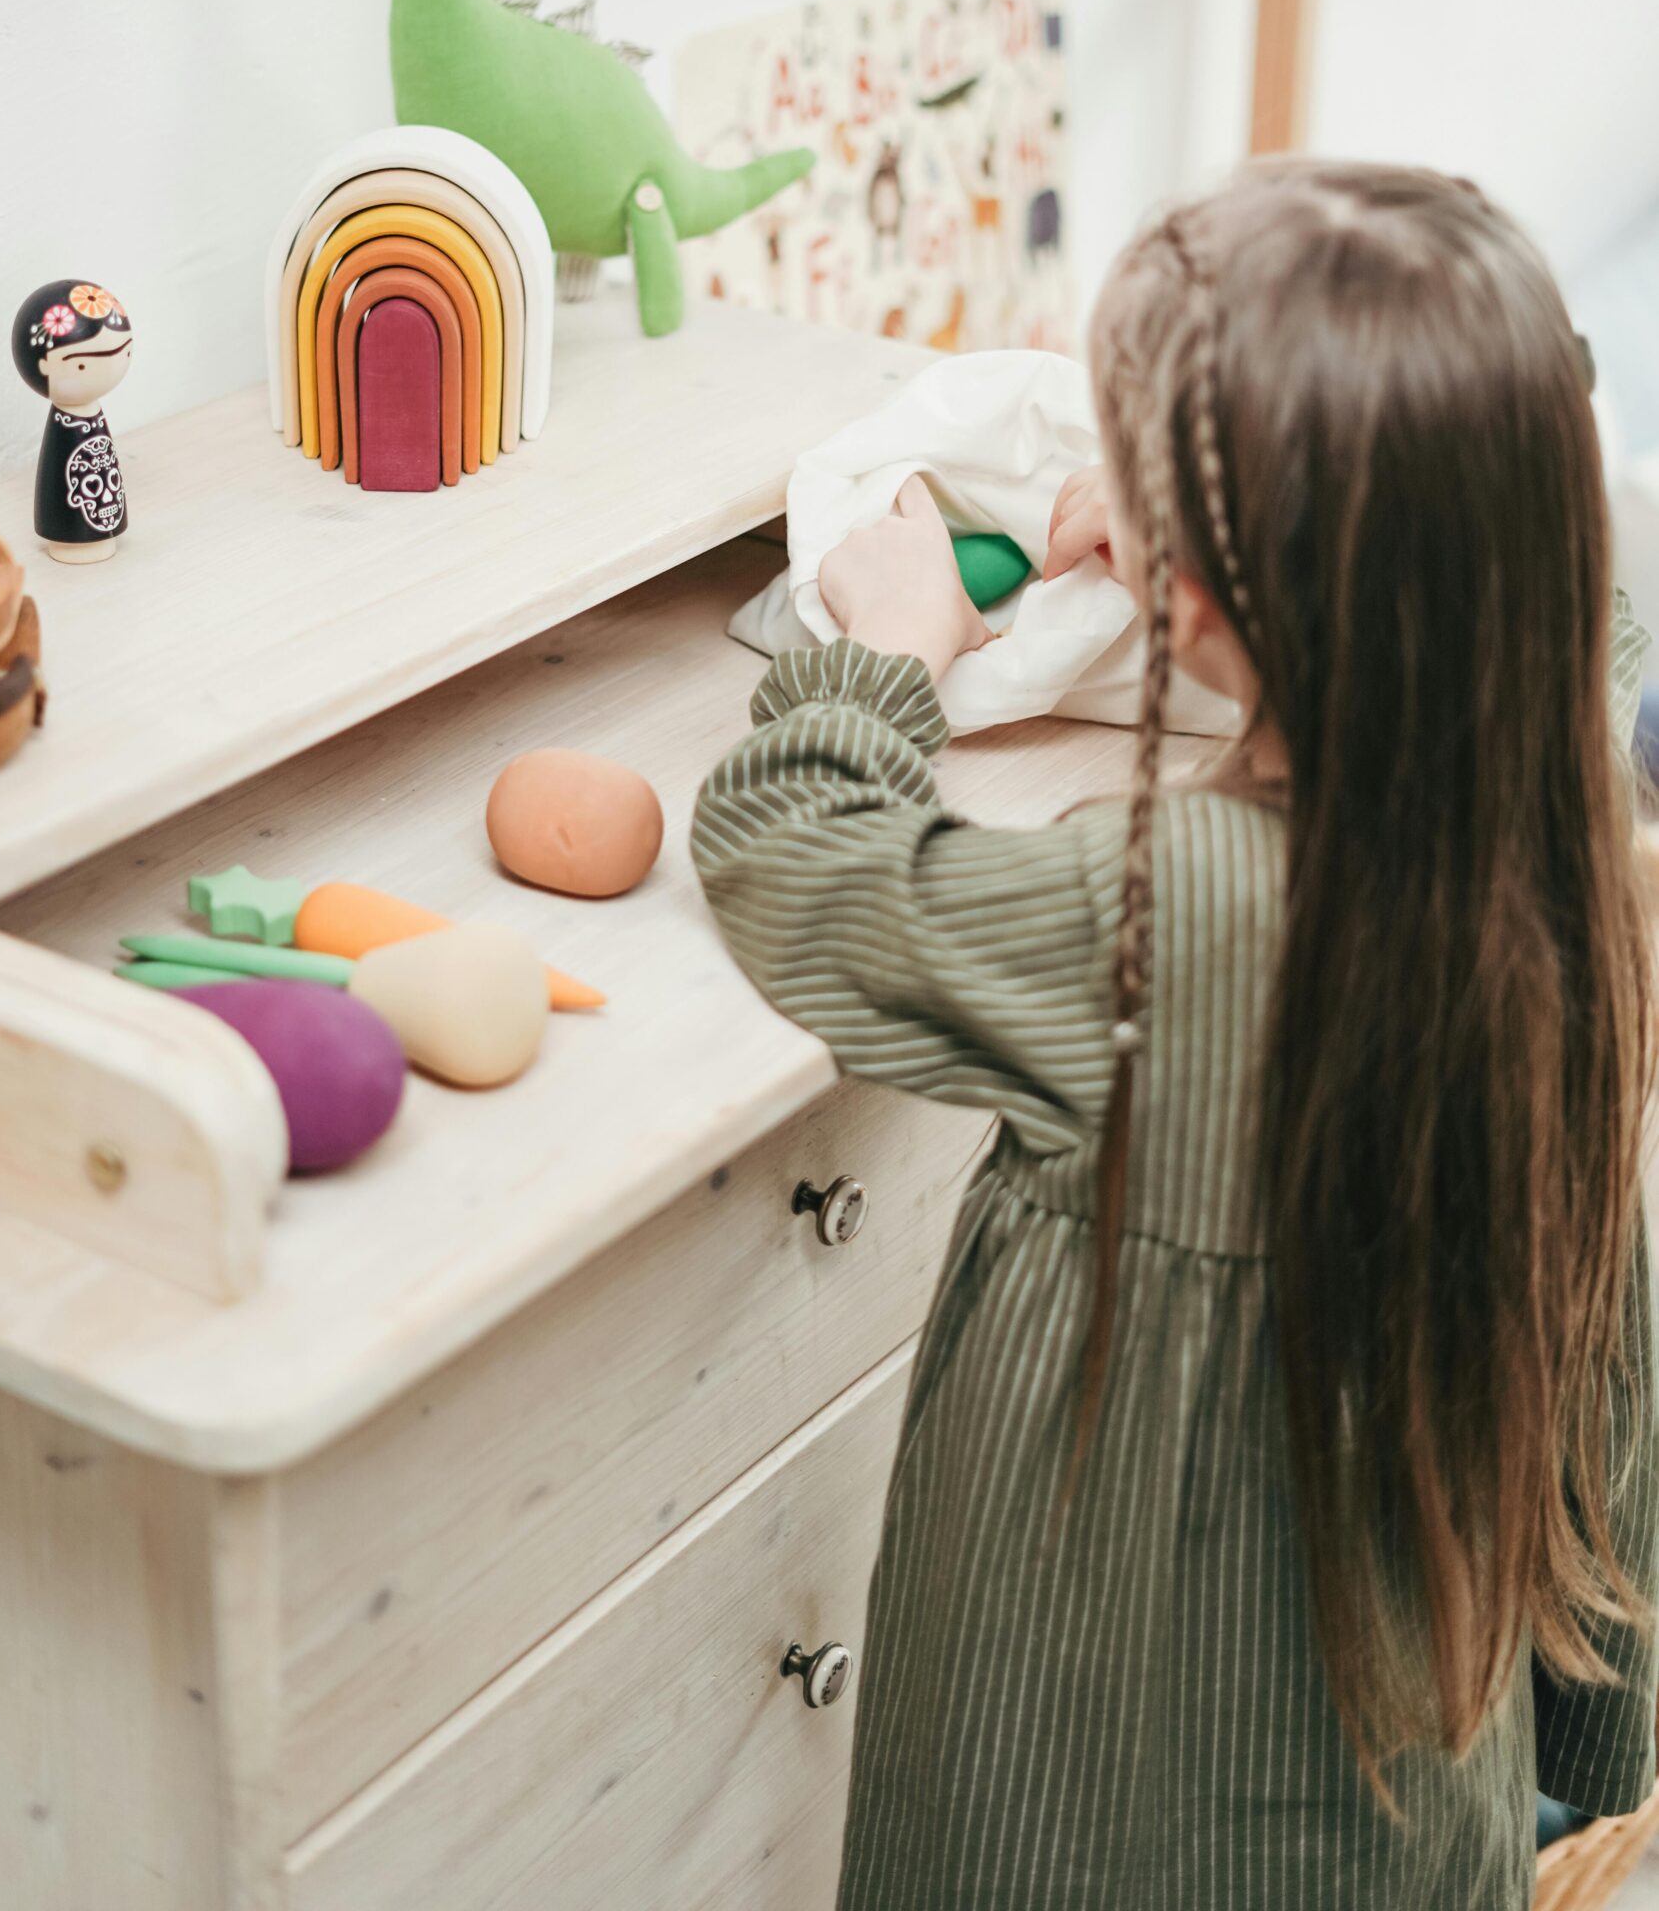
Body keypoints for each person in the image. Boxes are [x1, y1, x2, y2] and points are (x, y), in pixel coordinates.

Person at [691, 159, 1659, 1910]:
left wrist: (888, 652)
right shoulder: (1570, 843)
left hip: (1097, 1801)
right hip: (1413, 1807)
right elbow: (1611, 1368)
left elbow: (800, 873)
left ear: (1207, 596)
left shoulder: (1161, 916)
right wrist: (1591, 1762)